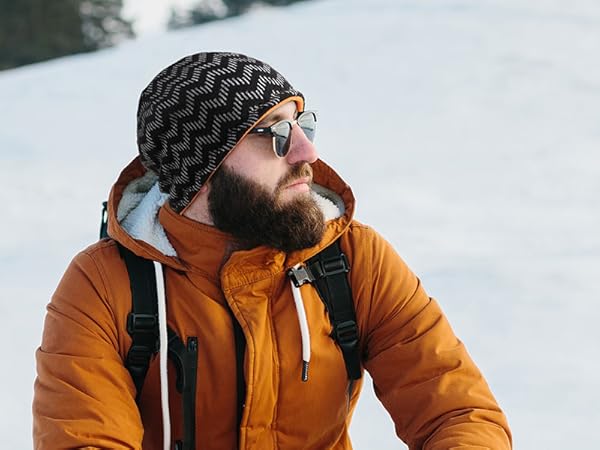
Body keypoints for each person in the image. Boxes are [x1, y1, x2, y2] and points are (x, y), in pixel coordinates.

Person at [33, 52, 512, 449]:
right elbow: (83, 439)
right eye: (276, 134)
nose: (307, 153)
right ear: (204, 165)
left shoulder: (353, 257)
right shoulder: (103, 285)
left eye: (303, 124)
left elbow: (459, 411)